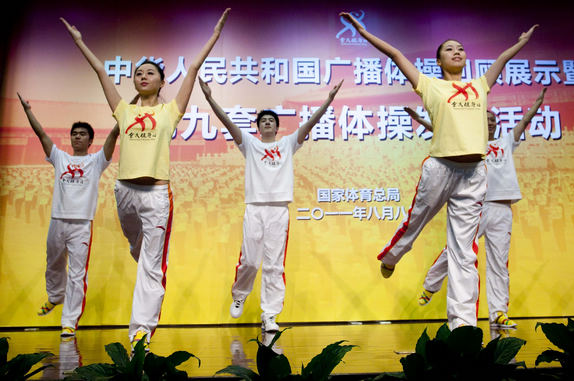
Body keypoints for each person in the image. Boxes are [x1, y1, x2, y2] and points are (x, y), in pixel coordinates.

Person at [340, 12, 537, 329]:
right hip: (441, 168)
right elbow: (395, 54)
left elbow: (501, 58)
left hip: (474, 175)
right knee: (416, 221)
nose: (457, 51)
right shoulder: (429, 85)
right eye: (449, 49)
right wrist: (363, 32)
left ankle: (462, 324)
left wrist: (521, 43)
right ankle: (392, 255)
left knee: (464, 252)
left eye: (461, 48)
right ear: (439, 61)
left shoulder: (479, 85)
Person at [61, 9, 230, 349]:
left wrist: (214, 35)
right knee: (138, 250)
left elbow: (194, 69)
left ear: (161, 81)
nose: (142, 76)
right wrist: (80, 41)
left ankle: (140, 332)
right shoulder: (125, 110)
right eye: (138, 73)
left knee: (151, 266)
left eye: (149, 72)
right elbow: (99, 71)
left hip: (155, 196)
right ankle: (145, 255)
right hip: (124, 193)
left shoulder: (170, 112)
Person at [199, 77, 343, 331]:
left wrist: (328, 101)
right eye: (263, 120)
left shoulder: (287, 144)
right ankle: (240, 294)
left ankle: (270, 315)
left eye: (271, 121)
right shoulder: (250, 145)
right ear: (258, 127)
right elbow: (227, 123)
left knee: (274, 264)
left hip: (278, 209)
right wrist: (210, 98)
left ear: (277, 128)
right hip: (255, 208)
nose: (267, 123)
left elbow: (311, 122)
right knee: (251, 261)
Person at [412, 88, 547, 328]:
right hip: (476, 206)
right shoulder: (468, 144)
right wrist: (421, 120)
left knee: (499, 262)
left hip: (503, 209)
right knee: (456, 251)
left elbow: (525, 122)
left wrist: (537, 104)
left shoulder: (506, 141)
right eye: (486, 120)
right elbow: (442, 133)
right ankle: (431, 284)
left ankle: (498, 313)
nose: (491, 124)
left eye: (494, 120)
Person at [18, 92, 118, 337]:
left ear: (90, 140)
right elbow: (41, 134)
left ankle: (69, 321)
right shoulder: (60, 158)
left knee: (77, 273)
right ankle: (55, 296)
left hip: (81, 225)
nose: (77, 137)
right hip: (57, 221)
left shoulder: (97, 161)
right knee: (53, 263)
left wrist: (127, 113)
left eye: (82, 134)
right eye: (74, 134)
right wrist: (28, 111)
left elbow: (115, 134)